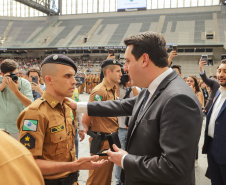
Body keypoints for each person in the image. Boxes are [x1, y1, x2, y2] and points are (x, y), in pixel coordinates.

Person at [69, 31, 203, 185]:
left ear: (144, 60)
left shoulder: (178, 99)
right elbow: (123, 105)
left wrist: (125, 160)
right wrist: (78, 106)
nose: (125, 68)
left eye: (127, 61)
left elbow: (174, 167)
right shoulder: (152, 89)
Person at [17, 54, 107, 185]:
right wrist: (74, 165)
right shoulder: (35, 113)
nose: (74, 81)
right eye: (67, 76)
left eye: (74, 76)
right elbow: (30, 163)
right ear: (49, 80)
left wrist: (74, 167)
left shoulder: (67, 106)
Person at [82, 59, 122, 185]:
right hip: (101, 141)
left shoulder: (112, 89)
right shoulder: (100, 91)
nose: (121, 74)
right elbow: (87, 116)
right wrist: (88, 132)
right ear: (108, 72)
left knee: (105, 178)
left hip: (110, 140)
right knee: (97, 179)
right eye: (118, 71)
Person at [202, 59, 226, 185]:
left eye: (225, 71)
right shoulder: (219, 93)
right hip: (212, 148)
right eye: (219, 71)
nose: (221, 74)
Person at [114, 73, 140, 185]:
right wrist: (120, 82)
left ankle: (128, 179)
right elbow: (116, 100)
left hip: (133, 128)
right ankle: (118, 180)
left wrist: (132, 85)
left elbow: (138, 100)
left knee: (132, 155)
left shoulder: (137, 88)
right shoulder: (118, 88)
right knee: (120, 154)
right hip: (121, 128)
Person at [0, 59, 33, 139]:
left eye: (16, 74)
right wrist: (1, 87)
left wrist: (15, 91)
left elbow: (30, 105)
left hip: (17, 128)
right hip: (1, 127)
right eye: (11, 75)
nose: (15, 77)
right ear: (3, 74)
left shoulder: (24, 83)